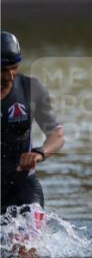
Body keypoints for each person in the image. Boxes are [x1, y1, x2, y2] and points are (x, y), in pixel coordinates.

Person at [2, 32, 65, 228]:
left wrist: (39, 154)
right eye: (3, 70)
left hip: (24, 187)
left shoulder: (31, 88)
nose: (10, 76)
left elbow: (57, 135)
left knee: (27, 253)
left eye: (14, 68)